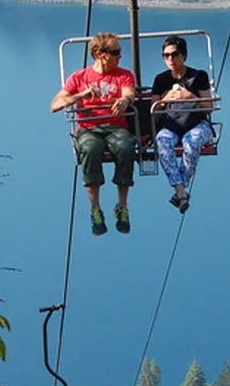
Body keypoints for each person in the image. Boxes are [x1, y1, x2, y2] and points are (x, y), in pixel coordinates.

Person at [50, 32, 138, 235]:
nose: (120, 56)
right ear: (100, 54)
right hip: (89, 128)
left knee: (126, 147)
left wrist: (125, 100)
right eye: (115, 52)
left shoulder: (124, 75)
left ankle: (122, 206)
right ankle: (95, 209)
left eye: (119, 52)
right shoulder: (79, 77)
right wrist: (80, 96)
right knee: (90, 150)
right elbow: (55, 105)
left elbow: (129, 92)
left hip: (115, 127)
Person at [151, 35, 214, 213]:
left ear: (184, 56)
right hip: (172, 125)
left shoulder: (198, 76)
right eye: (166, 55)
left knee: (192, 142)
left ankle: (180, 191)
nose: (170, 59)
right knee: (162, 142)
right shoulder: (161, 80)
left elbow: (209, 108)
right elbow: (153, 109)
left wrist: (191, 97)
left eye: (174, 54)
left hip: (196, 124)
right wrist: (165, 100)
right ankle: (181, 192)